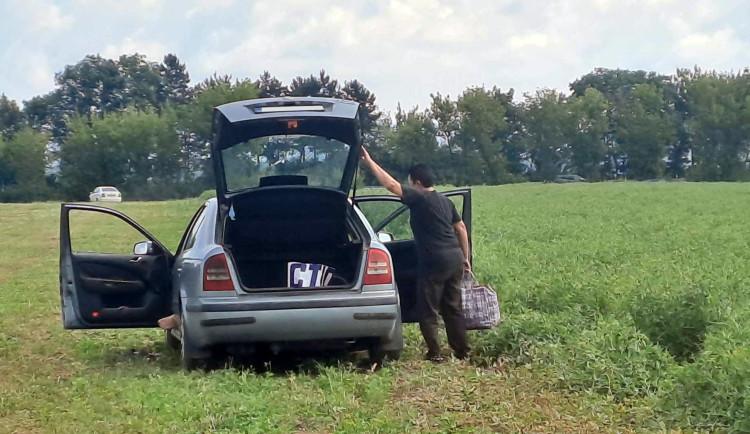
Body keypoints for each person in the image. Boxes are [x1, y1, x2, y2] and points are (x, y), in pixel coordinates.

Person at [359, 147, 471, 362]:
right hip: (455, 257)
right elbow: (461, 228)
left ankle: (435, 354)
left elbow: (391, 185)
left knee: (428, 309)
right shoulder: (446, 201)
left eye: (410, 182)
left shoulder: (419, 198)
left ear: (417, 182)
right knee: (453, 307)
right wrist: (465, 257)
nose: (409, 186)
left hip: (434, 260)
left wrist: (370, 161)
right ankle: (462, 351)